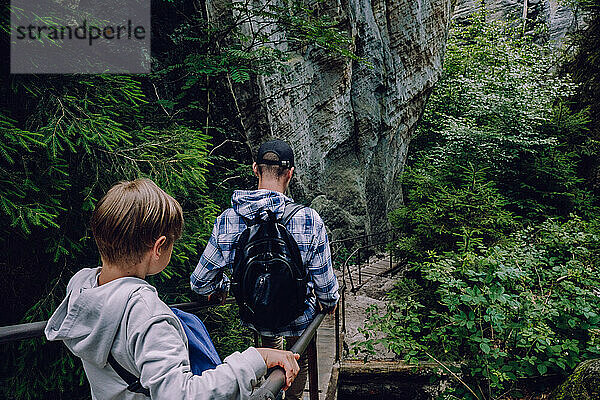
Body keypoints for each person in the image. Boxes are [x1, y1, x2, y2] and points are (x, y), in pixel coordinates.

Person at [45, 178, 300, 400]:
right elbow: (181, 395)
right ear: (159, 247)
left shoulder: (83, 289)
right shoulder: (146, 315)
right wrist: (255, 359)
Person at [190, 139, 340, 400]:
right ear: (290, 173)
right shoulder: (308, 219)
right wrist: (330, 302)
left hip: (256, 315)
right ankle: (291, 396)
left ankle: (267, 388)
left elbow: (200, 283)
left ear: (255, 169)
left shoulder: (229, 218)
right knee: (297, 357)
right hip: (298, 317)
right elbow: (325, 287)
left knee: (268, 346)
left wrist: (224, 288)